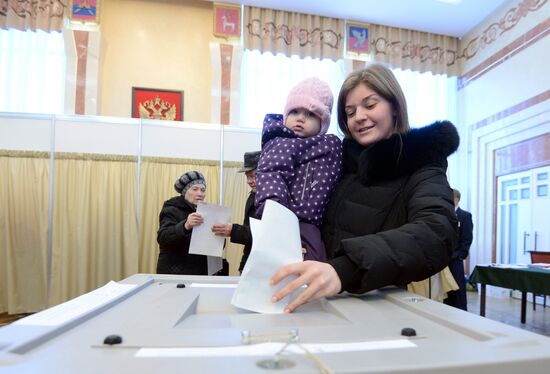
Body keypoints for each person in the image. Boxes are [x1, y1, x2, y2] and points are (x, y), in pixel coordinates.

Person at [270, 64, 460, 313]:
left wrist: (346, 268)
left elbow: (436, 234)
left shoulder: (422, 165)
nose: (358, 116)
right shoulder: (339, 163)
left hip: (379, 308)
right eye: (350, 112)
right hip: (320, 301)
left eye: (370, 105)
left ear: (395, 107)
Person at [255, 77, 343, 261]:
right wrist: (277, 219)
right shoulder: (281, 143)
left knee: (315, 270)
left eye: (311, 114)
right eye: (294, 112)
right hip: (290, 221)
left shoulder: (329, 145)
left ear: (323, 123)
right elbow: (272, 176)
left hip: (318, 223)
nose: (300, 118)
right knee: (303, 270)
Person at [211, 151, 261, 273]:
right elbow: (249, 237)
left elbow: (265, 235)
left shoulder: (274, 199)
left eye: (254, 176)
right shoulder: (252, 197)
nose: (249, 181)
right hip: (251, 263)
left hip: (265, 267)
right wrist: (243, 266)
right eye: (248, 176)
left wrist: (233, 230)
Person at [156, 170, 208, 275]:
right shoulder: (171, 209)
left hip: (199, 272)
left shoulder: (205, 212)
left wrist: (218, 236)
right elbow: (163, 238)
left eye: (203, 190)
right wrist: (186, 225)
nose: (200, 194)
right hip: (174, 273)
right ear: (185, 192)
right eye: (195, 189)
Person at [444, 189, 473, 310]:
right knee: (447, 286)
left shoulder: (465, 216)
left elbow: (467, 237)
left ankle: (460, 309)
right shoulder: (445, 214)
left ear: (456, 199)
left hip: (456, 258)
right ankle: (447, 308)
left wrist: (461, 255)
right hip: (444, 258)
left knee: (458, 286)